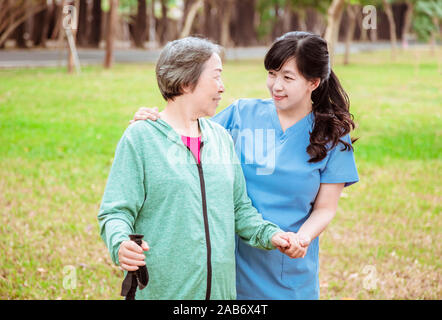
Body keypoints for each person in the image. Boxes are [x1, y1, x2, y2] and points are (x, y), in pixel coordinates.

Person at [130, 31, 359, 300]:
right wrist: (154, 121)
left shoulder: (332, 134)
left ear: (314, 82)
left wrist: (302, 239)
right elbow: (185, 133)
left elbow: (325, 208)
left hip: (288, 266)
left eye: (287, 77)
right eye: (272, 74)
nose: (276, 85)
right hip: (228, 266)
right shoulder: (241, 114)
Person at [97, 36, 304, 300]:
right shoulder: (140, 139)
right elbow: (115, 211)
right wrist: (120, 243)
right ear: (185, 82)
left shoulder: (220, 138)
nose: (222, 87)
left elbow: (239, 208)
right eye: (216, 77)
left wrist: (271, 235)